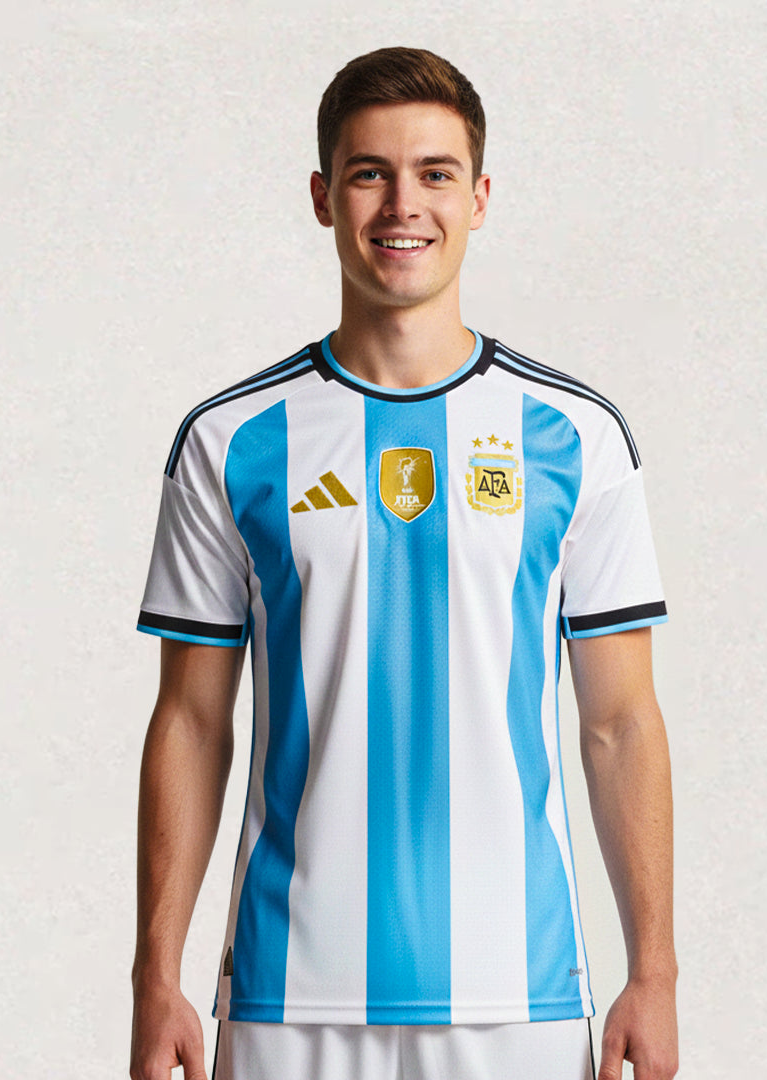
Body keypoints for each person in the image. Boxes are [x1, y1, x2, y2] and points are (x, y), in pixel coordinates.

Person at [129, 46, 678, 1080]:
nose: (402, 205)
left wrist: (655, 971)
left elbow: (619, 722)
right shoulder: (232, 440)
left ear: (479, 198)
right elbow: (193, 722)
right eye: (369, 173)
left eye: (434, 173)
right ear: (323, 197)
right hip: (289, 995)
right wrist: (155, 975)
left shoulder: (576, 436)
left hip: (518, 994)